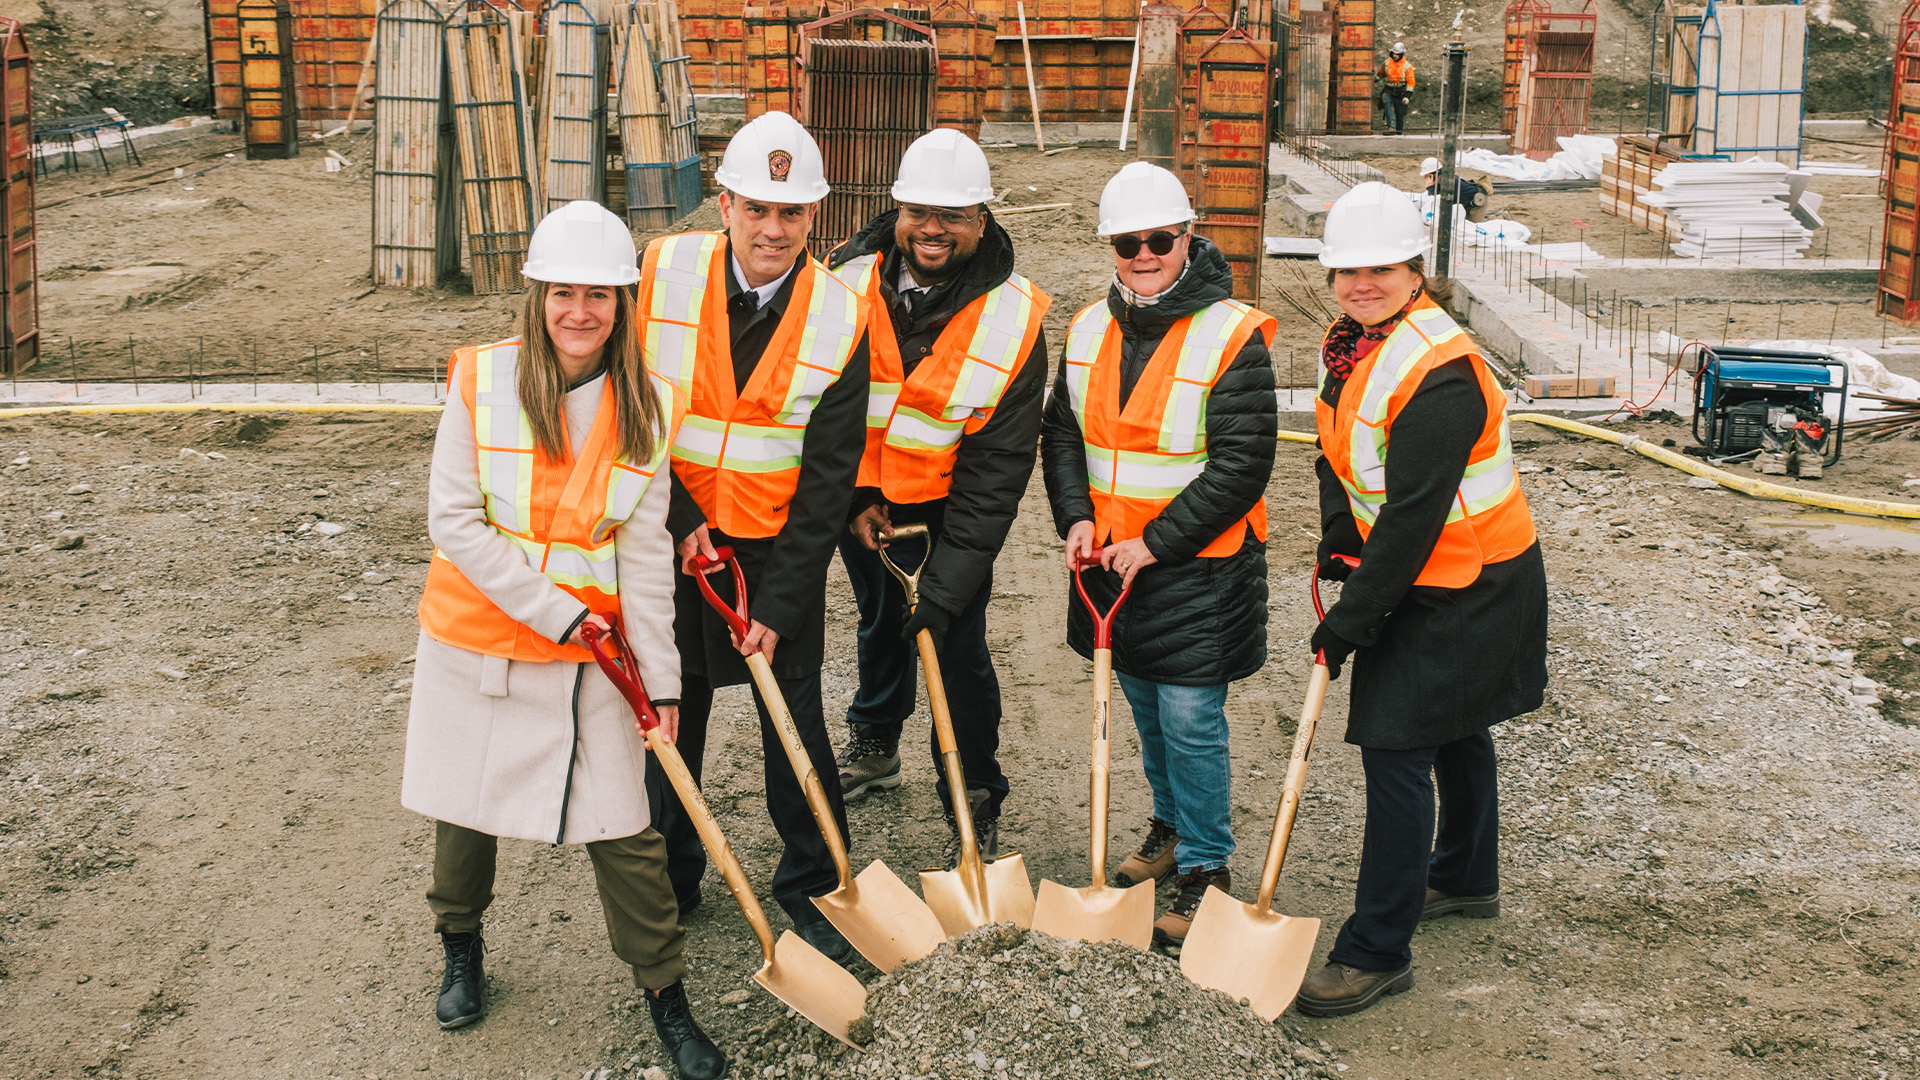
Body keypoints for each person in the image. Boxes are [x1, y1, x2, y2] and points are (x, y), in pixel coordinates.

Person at [400, 201, 727, 1079]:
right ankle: (461, 947)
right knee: (464, 814)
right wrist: (557, 613)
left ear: (624, 304)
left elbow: (646, 555)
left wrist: (662, 683)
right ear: (537, 296)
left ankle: (667, 995)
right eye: (563, 293)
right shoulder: (480, 380)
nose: (580, 312)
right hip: (481, 643)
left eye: (600, 295)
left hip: (593, 662)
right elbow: (455, 522)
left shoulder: (649, 407)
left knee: (626, 833)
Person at [1296, 181, 1548, 1017]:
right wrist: (1339, 529)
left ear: (1415, 270)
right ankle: (1466, 878)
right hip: (1431, 567)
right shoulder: (1351, 346)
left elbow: (1410, 520)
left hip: (1475, 578)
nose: (1361, 284)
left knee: (1397, 742)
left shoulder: (1443, 372)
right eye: (1345, 271)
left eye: (1380, 269)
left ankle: (1377, 950)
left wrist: (1349, 623)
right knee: (1454, 723)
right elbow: (1338, 450)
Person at [636, 110, 871, 967]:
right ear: (725, 204)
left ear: (817, 217)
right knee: (671, 710)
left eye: (793, 214)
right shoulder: (658, 272)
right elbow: (624, 410)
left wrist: (779, 599)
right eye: (757, 209)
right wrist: (677, 520)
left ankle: (813, 885)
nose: (774, 231)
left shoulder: (844, 317)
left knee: (794, 722)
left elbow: (828, 482)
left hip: (773, 551)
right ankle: (670, 870)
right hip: (673, 535)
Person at [1039, 162, 1277, 949]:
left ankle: (1208, 867)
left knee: (1189, 717)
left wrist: (1157, 542)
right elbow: (1064, 432)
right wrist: (1075, 514)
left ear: (1187, 235)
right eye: (1127, 242)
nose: (1144, 254)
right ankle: (1171, 827)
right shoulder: (1088, 327)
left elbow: (1243, 463)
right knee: (1143, 707)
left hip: (1198, 567)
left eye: (1159, 240)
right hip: (1111, 567)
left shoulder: (1231, 333)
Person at [823, 128, 1051, 865]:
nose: (932, 229)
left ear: (981, 221)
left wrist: (951, 581)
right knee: (879, 620)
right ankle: (877, 742)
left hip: (951, 511)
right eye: (919, 211)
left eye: (952, 216)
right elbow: (827, 405)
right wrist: (856, 497)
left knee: (951, 643)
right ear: (895, 210)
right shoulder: (844, 283)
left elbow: (999, 469)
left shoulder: (1013, 319)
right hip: (864, 504)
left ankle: (974, 794)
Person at [1419, 156, 1488, 221]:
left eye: (1429, 176)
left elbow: (1437, 202)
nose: (1427, 179)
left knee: (1471, 228)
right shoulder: (1442, 180)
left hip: (1477, 203)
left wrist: (1431, 187)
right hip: (1464, 203)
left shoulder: (1449, 183)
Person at [1377, 42, 1414, 134]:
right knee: (1386, 101)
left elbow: (1411, 82)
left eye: (1397, 54)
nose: (1395, 55)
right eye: (1394, 53)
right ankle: (1391, 127)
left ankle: (1399, 131)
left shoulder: (1407, 67)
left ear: (1401, 55)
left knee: (1399, 112)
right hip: (1388, 90)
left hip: (1400, 92)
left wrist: (1407, 96)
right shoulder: (1386, 63)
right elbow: (1380, 74)